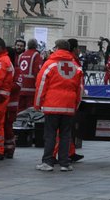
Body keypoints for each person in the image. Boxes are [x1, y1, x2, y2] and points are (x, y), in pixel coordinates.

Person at [35, 38, 83, 172]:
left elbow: (41, 84)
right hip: (68, 106)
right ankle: (65, 163)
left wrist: (38, 103)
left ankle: (48, 162)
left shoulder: (50, 64)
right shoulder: (75, 66)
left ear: (57, 48)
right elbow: (80, 89)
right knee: (66, 135)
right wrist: (76, 105)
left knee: (50, 134)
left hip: (52, 105)